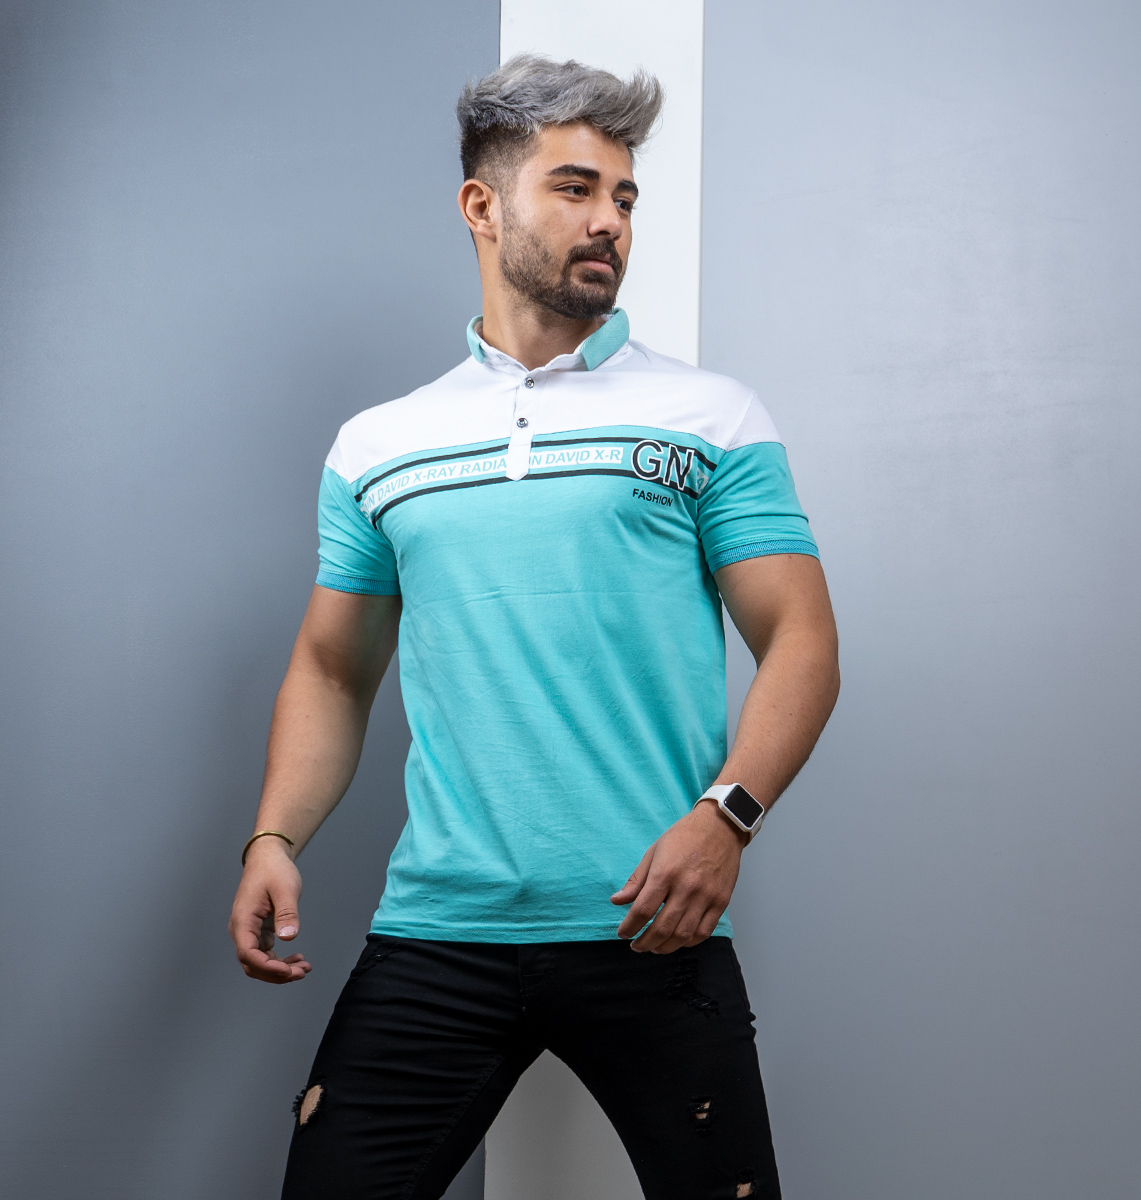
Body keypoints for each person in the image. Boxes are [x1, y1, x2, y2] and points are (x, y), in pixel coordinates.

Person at [229, 54, 839, 1200]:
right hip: (438, 930)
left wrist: (729, 816)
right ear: (482, 204)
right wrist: (274, 838)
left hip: (652, 926)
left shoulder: (713, 417)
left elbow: (801, 640)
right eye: (574, 188)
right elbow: (332, 671)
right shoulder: (379, 445)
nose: (610, 220)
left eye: (624, 197)